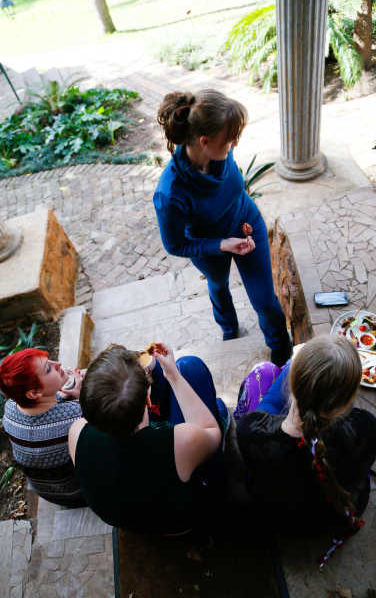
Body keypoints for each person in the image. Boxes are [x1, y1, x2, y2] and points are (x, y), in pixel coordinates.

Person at [153, 89, 291, 366]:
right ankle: (229, 330)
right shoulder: (170, 194)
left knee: (264, 299)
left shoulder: (221, 153)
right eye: (230, 139)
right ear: (204, 142)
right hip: (207, 247)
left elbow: (234, 190)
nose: (234, 144)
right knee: (218, 285)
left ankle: (281, 349)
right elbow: (175, 245)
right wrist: (222, 244)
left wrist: (245, 224)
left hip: (246, 223)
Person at [235, 335, 376, 568]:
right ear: (347, 402)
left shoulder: (251, 430)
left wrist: (296, 365)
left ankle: (291, 365)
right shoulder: (366, 427)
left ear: (291, 387)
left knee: (264, 371)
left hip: (280, 521)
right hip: (336, 518)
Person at [68, 342, 229, 534]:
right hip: (179, 524)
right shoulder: (180, 442)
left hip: (132, 520)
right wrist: (174, 376)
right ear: (147, 398)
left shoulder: (76, 432)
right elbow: (211, 431)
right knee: (191, 368)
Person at [0, 348, 86, 507]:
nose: (58, 364)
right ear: (34, 393)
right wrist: (82, 397)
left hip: (48, 493)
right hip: (80, 492)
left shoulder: (10, 409)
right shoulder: (75, 415)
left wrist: (61, 396)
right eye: (48, 368)